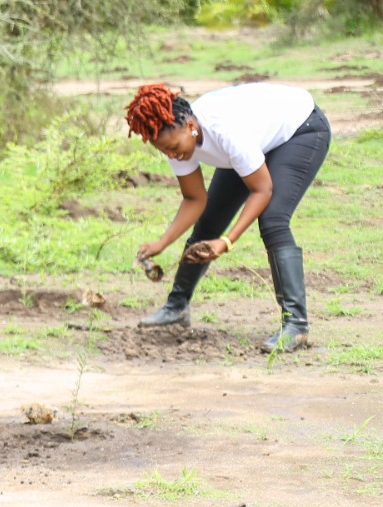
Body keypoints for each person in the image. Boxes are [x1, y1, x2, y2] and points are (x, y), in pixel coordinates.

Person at [125, 82, 331, 353]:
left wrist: (227, 241)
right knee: (209, 221)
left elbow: (262, 189)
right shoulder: (173, 137)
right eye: (166, 151)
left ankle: (296, 325)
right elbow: (194, 199)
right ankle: (177, 306)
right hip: (255, 138)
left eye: (174, 147)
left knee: (273, 219)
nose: (173, 155)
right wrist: (161, 243)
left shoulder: (224, 130)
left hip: (300, 129)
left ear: (190, 125)